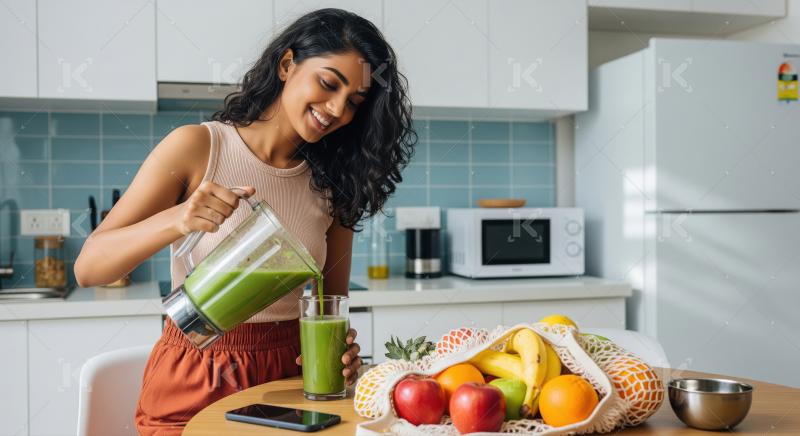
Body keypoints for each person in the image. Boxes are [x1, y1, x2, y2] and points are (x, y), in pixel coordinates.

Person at [74, 8, 414, 434]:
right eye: (329, 84)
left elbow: (330, 307)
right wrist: (180, 218)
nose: (337, 110)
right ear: (287, 64)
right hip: (197, 373)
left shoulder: (335, 184)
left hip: (290, 382)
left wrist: (341, 358)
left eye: (354, 103)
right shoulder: (198, 147)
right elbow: (89, 268)